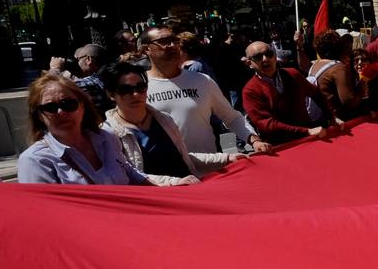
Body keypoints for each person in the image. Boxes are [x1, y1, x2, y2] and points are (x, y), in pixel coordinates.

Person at [101, 62, 240, 185]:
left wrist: (227, 158)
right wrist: (174, 182)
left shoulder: (164, 119)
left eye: (140, 87)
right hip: (158, 203)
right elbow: (128, 176)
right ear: (111, 94)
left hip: (189, 190)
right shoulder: (108, 134)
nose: (136, 94)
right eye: (126, 90)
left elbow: (184, 157)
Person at [141, 26, 270, 155]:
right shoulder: (137, 88)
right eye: (164, 42)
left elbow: (232, 117)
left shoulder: (202, 81)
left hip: (209, 169)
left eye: (174, 40)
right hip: (169, 173)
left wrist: (253, 140)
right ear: (146, 49)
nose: (172, 45)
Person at [17, 72, 150, 185]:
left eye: (68, 104)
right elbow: (43, 211)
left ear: (82, 106)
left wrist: (164, 188)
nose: (61, 112)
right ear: (39, 115)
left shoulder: (107, 137)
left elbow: (128, 171)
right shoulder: (35, 160)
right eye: (50, 108)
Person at [241, 41, 331, 145]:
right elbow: (266, 124)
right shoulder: (250, 91)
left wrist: (331, 116)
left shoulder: (293, 74)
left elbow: (316, 94)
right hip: (281, 146)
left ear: (275, 56)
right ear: (249, 63)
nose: (265, 59)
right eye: (258, 57)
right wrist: (305, 131)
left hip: (309, 139)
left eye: (269, 54)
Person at [311, 31, 378, 121]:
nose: (348, 49)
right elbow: (350, 102)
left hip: (323, 120)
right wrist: (361, 88)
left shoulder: (316, 65)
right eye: (344, 45)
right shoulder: (338, 68)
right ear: (337, 47)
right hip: (336, 123)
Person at [71, 44, 111, 113]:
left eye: (79, 59)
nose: (77, 63)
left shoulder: (88, 83)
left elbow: (60, 90)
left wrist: (55, 68)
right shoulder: (112, 77)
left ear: (89, 59)